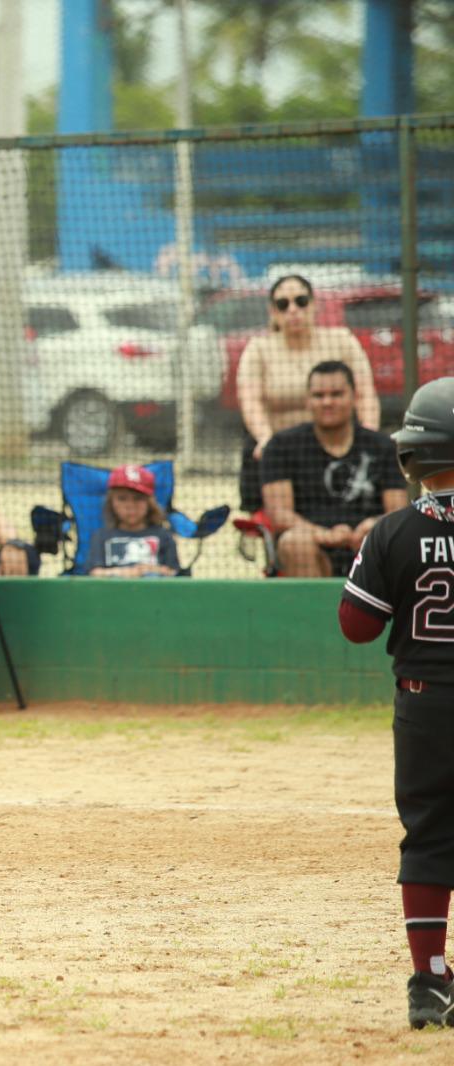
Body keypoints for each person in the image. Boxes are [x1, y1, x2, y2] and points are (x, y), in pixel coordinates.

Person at [338, 375, 454, 1030]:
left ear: (414, 456)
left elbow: (357, 626)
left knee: (429, 836)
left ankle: (430, 982)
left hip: (425, 705)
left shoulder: (392, 530)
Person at [236, 273, 379, 513]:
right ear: (273, 311)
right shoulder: (258, 348)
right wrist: (266, 439)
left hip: (339, 445)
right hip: (280, 451)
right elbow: (250, 401)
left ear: (314, 305)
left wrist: (369, 438)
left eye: (301, 301)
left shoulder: (341, 341)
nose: (293, 309)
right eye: (283, 304)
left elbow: (365, 394)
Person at [261, 360, 406, 577]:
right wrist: (325, 535)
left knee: (389, 537)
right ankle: (314, 611)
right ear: (307, 401)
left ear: (354, 397)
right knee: (295, 542)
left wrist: (373, 526)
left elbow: (398, 511)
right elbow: (279, 515)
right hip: (312, 548)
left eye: (337, 394)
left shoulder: (383, 446)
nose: (327, 402)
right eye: (318, 396)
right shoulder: (281, 446)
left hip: (367, 547)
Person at [85, 465, 181, 578]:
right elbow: (94, 572)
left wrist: (150, 570)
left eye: (138, 498)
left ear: (149, 503)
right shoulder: (101, 536)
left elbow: (173, 572)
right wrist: (126, 573)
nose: (130, 506)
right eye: (122, 498)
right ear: (111, 503)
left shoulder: (163, 535)